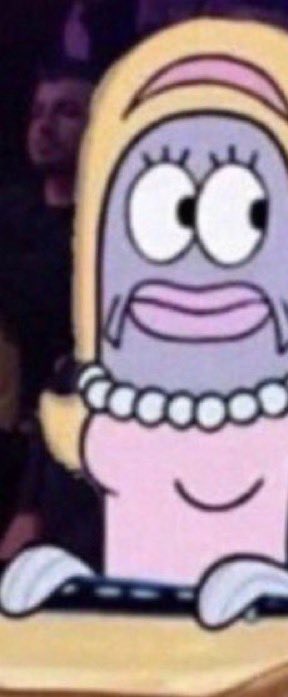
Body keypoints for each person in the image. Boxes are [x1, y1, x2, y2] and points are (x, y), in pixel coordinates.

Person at [0, 61, 102, 569]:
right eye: (38, 112)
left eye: (65, 112)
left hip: (59, 458)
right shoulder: (10, 213)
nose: (44, 126)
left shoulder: (108, 231)